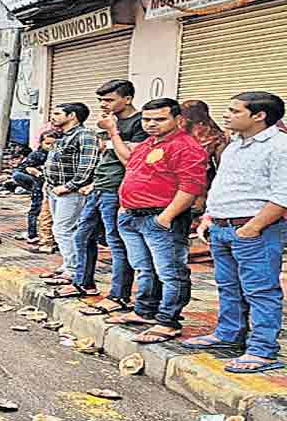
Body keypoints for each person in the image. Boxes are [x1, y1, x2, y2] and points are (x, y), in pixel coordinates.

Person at [181, 92, 287, 374]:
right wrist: (209, 217)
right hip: (221, 227)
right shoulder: (234, 145)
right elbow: (222, 185)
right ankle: (228, 334)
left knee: (261, 290)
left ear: (259, 116)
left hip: (255, 230)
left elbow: (283, 195)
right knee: (228, 286)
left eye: (235, 111)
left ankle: (262, 351)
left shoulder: (279, 146)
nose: (226, 115)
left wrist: (253, 227)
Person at [104, 98, 208, 344]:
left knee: (171, 273)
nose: (151, 124)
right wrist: (124, 208)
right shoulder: (148, 144)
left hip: (160, 218)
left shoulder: (186, 147)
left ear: (178, 119)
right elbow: (130, 166)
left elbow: (190, 188)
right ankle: (144, 311)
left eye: (160, 119)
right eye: (147, 119)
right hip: (132, 217)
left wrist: (165, 218)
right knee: (144, 268)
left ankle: (168, 321)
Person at [74, 80, 149, 313]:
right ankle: (83, 283)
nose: (103, 104)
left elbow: (130, 160)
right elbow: (105, 154)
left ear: (127, 99)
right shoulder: (110, 121)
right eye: (101, 100)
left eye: (109, 100)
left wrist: (112, 131)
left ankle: (119, 295)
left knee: (116, 243)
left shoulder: (140, 123)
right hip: (100, 186)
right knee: (82, 235)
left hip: (117, 189)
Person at [42, 103, 98, 295]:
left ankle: (73, 270)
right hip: (54, 189)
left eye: (58, 113)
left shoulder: (85, 135)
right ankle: (68, 265)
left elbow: (88, 166)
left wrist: (69, 186)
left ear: (72, 115)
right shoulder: (63, 136)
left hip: (70, 192)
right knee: (61, 229)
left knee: (64, 229)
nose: (53, 116)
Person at [179, 99, 229, 210]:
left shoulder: (179, 133)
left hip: (193, 178)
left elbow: (222, 166)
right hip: (202, 176)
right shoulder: (217, 135)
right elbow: (221, 165)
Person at [12, 131, 56, 243]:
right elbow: (21, 170)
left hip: (53, 187)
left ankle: (51, 236)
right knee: (35, 210)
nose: (50, 147)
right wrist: (36, 173)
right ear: (41, 143)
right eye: (47, 144)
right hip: (38, 186)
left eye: (53, 144)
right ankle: (32, 234)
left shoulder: (58, 155)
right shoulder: (36, 155)